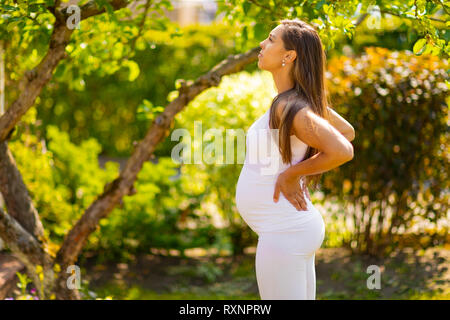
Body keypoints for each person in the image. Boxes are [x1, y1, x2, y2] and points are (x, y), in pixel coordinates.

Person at [235, 18, 355, 300]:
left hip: (284, 232)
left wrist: (291, 174)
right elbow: (347, 131)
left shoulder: (289, 106)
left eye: (271, 39)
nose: (262, 45)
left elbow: (343, 148)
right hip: (289, 228)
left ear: (289, 56)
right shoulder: (294, 101)